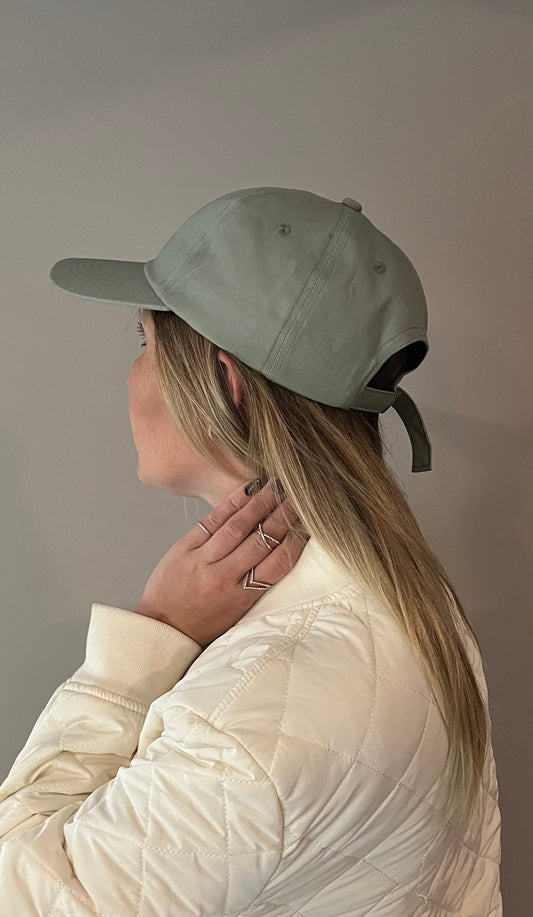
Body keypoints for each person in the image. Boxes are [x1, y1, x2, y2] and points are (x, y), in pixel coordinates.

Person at [0, 187, 502, 915]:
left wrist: (144, 645)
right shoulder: (407, 596)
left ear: (225, 384)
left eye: (145, 342)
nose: (133, 371)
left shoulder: (249, 719)